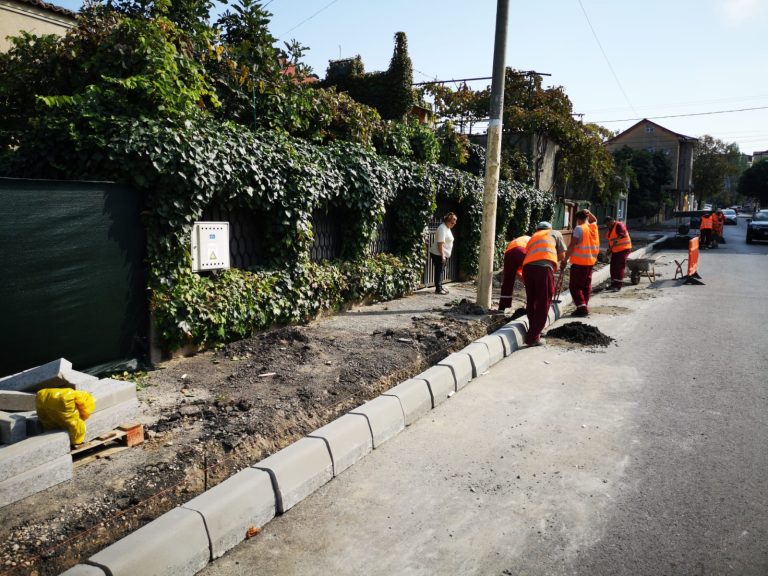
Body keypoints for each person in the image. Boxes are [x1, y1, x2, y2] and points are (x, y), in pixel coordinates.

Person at [522, 221, 566, 347]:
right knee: (544, 301)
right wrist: (553, 261)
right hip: (543, 269)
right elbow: (562, 255)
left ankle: (535, 329)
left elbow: (531, 254)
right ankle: (533, 337)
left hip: (527, 269)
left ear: (537, 229)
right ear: (550, 228)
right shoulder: (555, 233)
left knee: (532, 300)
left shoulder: (533, 237)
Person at [565, 209, 599, 316]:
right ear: (587, 218)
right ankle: (584, 304)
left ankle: (582, 308)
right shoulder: (593, 226)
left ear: (578, 219)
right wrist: (589, 212)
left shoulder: (579, 229)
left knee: (574, 286)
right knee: (586, 285)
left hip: (580, 263)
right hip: (590, 262)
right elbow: (595, 219)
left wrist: (565, 260)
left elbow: (571, 246)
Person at [498, 233, 530, 311]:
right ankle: (530, 307)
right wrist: (527, 281)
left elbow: (517, 273)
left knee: (508, 281)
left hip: (509, 253)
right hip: (522, 251)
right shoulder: (533, 239)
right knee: (531, 280)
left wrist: (524, 279)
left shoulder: (519, 239)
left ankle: (502, 308)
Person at [430, 212, 457, 295]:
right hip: (438, 254)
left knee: (440, 271)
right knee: (439, 271)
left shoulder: (447, 228)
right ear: (447, 221)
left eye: (455, 222)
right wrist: (443, 256)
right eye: (452, 222)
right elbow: (440, 244)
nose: (454, 224)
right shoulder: (442, 228)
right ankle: (438, 289)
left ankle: (440, 287)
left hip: (443, 254)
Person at [604, 216, 632, 291]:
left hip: (624, 249)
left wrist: (617, 239)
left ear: (612, 221)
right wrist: (609, 251)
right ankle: (613, 284)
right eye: (606, 225)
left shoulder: (619, 225)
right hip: (616, 251)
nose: (608, 226)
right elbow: (610, 242)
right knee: (613, 267)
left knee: (619, 266)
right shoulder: (610, 229)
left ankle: (618, 286)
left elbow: (621, 233)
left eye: (608, 224)